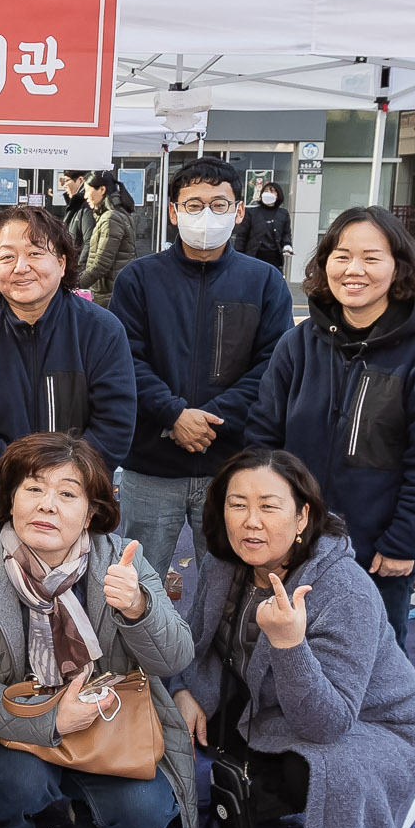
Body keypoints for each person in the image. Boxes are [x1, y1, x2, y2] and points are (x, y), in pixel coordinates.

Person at [172, 449, 415, 828]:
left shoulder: (344, 589)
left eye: (269, 506)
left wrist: (289, 645)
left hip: (377, 724)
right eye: (237, 504)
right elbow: (200, 643)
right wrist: (185, 689)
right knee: (191, 732)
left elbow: (329, 724)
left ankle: (388, 791)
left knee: (327, 770)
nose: (250, 522)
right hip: (275, 707)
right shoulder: (225, 564)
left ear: (303, 517)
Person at [0, 431, 200, 828]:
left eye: (67, 493)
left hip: (108, 722)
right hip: (18, 730)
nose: (46, 505)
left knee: (146, 812)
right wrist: (53, 716)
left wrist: (139, 609)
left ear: (92, 512)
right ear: (11, 498)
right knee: (13, 781)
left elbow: (175, 656)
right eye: (34, 488)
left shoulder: (122, 562)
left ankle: (96, 821)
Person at [245, 206, 415, 647]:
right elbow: (263, 439)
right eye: (342, 255)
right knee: (285, 660)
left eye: (372, 257)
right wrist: (270, 524)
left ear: (398, 266)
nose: (354, 270)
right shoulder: (298, 345)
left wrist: (406, 539)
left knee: (373, 666)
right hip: (296, 546)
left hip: (375, 552)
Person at [108, 158, 295, 580]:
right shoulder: (138, 279)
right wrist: (173, 413)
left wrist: (211, 420)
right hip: (151, 463)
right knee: (135, 582)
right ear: (173, 212)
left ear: (239, 210)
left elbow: (273, 366)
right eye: (193, 205)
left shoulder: (264, 282)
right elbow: (124, 359)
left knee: (232, 585)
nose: (206, 215)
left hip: (232, 468)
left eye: (218, 204)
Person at [0, 204, 137, 562]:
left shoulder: (102, 330)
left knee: (73, 615)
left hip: (72, 516)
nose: (21, 267)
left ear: (61, 262)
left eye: (35, 253)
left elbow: (114, 423)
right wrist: (20, 490)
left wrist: (58, 491)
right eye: (7, 256)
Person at [75, 173, 140, 306]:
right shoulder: (116, 214)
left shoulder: (111, 218)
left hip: (108, 295)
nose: (85, 196)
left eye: (87, 190)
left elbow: (101, 263)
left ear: (102, 190)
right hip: (112, 291)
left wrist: (75, 284)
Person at [237, 177, 293, 273]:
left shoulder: (283, 213)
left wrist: (287, 245)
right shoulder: (252, 212)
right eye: (266, 191)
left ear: (278, 195)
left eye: (272, 191)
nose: (268, 193)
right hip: (254, 256)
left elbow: (286, 233)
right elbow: (242, 235)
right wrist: (238, 254)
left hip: (275, 258)